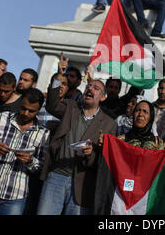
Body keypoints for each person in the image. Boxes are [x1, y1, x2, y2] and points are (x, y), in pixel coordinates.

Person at [37, 59, 117, 215]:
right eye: (88, 86)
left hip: (83, 183)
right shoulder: (71, 108)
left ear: (102, 97)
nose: (90, 89)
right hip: (57, 175)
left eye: (96, 88)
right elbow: (52, 105)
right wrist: (60, 76)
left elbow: (106, 160)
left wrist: (92, 154)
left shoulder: (109, 125)